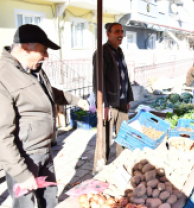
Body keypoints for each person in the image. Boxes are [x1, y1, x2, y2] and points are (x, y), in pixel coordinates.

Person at [0, 24, 89, 208]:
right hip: (24, 157)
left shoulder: (33, 69)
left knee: (49, 198)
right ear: (25, 48)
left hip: (44, 151)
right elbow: (2, 137)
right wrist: (22, 174)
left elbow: (49, 93)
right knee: (27, 205)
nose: (47, 56)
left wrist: (75, 100)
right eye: (43, 51)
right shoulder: (4, 76)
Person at [92, 23, 134, 159]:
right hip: (109, 103)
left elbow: (125, 77)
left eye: (122, 31)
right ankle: (100, 167)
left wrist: (128, 98)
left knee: (123, 135)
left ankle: (122, 162)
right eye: (117, 32)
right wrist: (103, 104)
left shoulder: (119, 51)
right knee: (105, 138)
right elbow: (98, 80)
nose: (121, 35)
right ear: (108, 34)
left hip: (122, 102)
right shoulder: (102, 52)